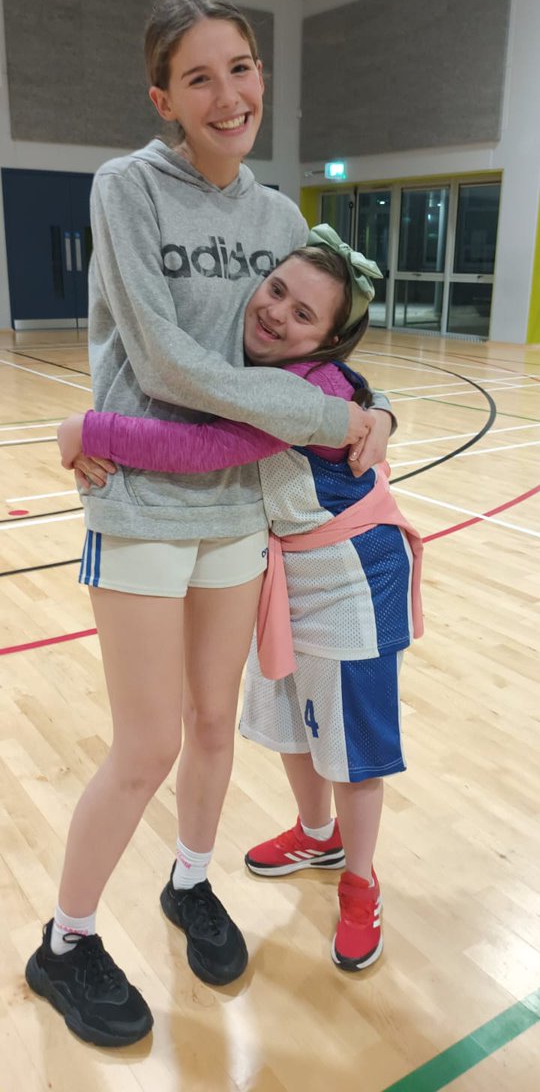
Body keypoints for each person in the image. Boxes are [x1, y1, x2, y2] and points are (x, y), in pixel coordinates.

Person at [25, 0, 395, 1049]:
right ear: (165, 98)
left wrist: (364, 409)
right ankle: (67, 941)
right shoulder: (126, 188)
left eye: (242, 67)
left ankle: (190, 880)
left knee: (208, 728)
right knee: (142, 744)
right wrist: (323, 416)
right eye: (200, 77)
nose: (230, 94)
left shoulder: (281, 217)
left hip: (238, 512)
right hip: (139, 502)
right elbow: (166, 363)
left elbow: (325, 356)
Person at [57, 224, 422, 978]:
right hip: (286, 567)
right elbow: (362, 393)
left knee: (352, 746)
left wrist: (84, 426)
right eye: (277, 288)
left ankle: (361, 883)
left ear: (327, 343)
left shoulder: (298, 390)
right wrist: (380, 409)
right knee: (288, 717)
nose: (277, 313)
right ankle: (317, 834)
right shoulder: (274, 369)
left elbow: (203, 451)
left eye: (304, 314)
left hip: (353, 571)